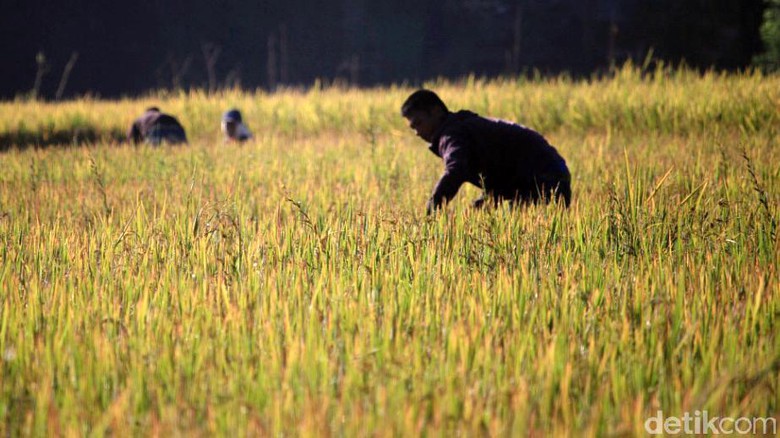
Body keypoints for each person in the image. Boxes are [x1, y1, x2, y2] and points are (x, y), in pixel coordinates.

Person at [401, 89, 571, 215]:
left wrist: (432, 207)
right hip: (552, 174)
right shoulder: (463, 126)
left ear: (436, 111)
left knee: (520, 236)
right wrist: (487, 200)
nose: (417, 132)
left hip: (544, 180)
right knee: (500, 223)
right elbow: (501, 165)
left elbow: (456, 169)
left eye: (419, 123)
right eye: (413, 127)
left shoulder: (452, 134)